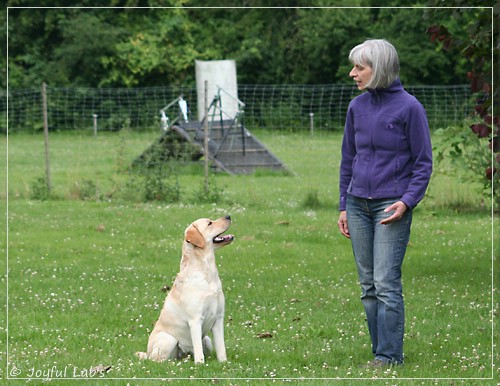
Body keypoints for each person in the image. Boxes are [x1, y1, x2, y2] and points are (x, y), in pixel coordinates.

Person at [337, 39, 433, 367]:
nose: (353, 73)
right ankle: (381, 352)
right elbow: (348, 158)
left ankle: (389, 356)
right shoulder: (356, 108)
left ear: (379, 69)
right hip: (357, 204)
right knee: (368, 285)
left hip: (391, 207)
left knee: (386, 282)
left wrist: (407, 202)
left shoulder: (410, 108)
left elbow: (423, 163)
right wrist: (342, 205)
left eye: (359, 67)